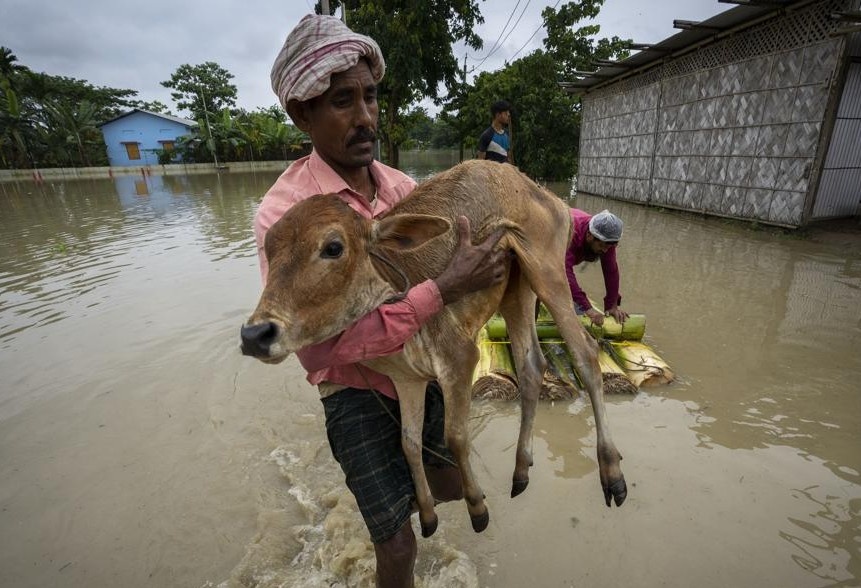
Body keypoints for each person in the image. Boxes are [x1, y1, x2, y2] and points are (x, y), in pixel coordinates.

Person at [255, 14, 507, 588]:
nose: (365, 116)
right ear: (302, 114)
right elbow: (319, 353)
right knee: (396, 545)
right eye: (343, 100)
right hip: (356, 391)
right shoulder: (284, 216)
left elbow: (456, 259)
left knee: (445, 488)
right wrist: (442, 290)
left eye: (370, 96)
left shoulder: (402, 191)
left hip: (421, 370)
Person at [566, 208, 629, 326]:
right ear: (589, 235)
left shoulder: (606, 239)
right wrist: (587, 307)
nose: (605, 251)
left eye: (609, 247)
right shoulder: (570, 233)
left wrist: (612, 305)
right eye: (602, 246)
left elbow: (611, 271)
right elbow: (564, 272)